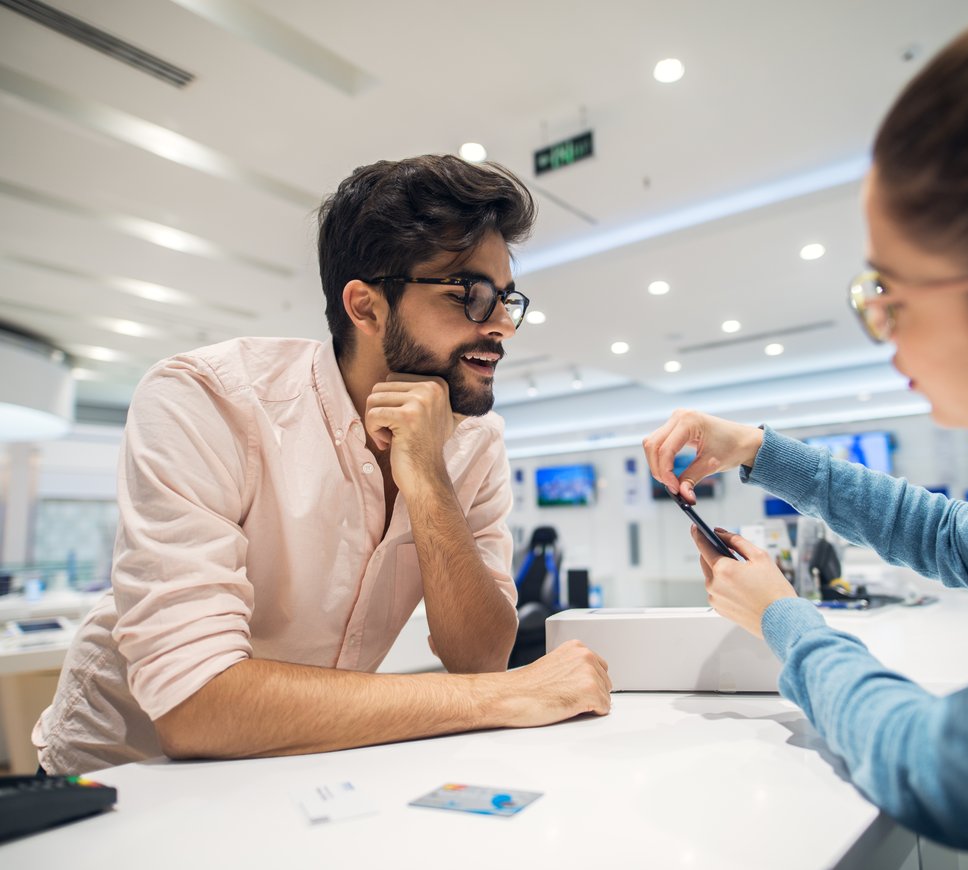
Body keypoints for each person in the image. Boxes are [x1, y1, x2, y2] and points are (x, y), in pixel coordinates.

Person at [644, 0, 968, 863]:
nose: (880, 326)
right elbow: (955, 540)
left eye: (892, 295)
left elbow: (948, 772)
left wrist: (785, 622)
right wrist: (756, 449)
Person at [34, 155, 611, 775]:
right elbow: (195, 703)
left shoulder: (475, 440)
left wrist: (427, 477)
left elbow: (480, 656)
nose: (503, 326)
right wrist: (499, 698)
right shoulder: (208, 399)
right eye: (468, 295)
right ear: (366, 307)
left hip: (299, 767)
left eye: (505, 298)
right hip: (122, 778)